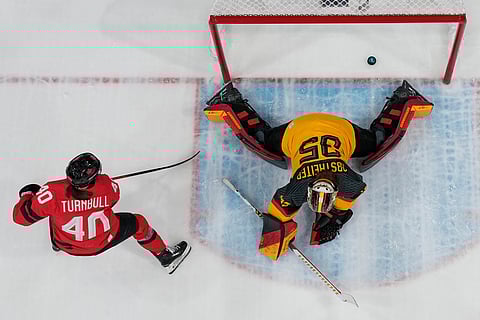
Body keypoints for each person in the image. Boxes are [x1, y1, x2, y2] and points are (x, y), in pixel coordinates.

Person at [204, 80, 433, 260]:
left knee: (262, 137)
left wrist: (279, 237)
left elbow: (277, 218)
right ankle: (402, 99)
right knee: (376, 140)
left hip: (299, 129)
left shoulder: (301, 187)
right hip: (338, 128)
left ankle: (232, 101)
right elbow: (342, 204)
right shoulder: (347, 182)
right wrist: (335, 218)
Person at [12, 152, 191, 274]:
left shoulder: (51, 193)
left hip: (67, 243)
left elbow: (20, 219)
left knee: (54, 213)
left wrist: (27, 195)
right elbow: (114, 198)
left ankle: (57, 245)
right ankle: (165, 256)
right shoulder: (106, 186)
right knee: (138, 223)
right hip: (102, 241)